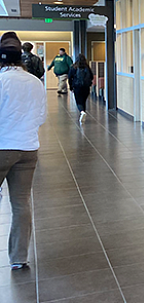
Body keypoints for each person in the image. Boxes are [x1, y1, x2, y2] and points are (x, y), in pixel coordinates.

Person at [0, 32, 47, 270]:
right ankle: (18, 258)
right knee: (20, 203)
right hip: (28, 148)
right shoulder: (35, 82)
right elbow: (41, 117)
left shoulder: (1, 80)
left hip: (2, 146)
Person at [68, 54, 94, 124]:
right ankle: (83, 112)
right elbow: (91, 76)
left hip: (77, 87)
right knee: (83, 101)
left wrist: (71, 86)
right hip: (86, 87)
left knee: (78, 101)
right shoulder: (87, 67)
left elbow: (70, 77)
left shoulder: (73, 67)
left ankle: (82, 112)